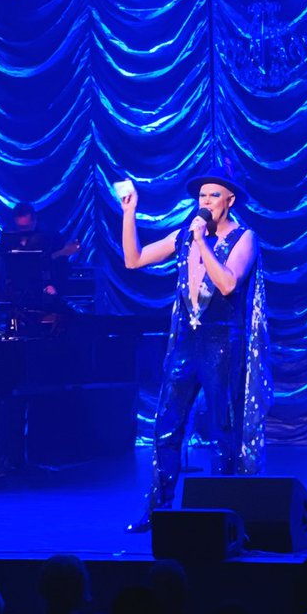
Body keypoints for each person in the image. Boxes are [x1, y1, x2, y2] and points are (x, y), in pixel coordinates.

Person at [120, 168, 271, 531]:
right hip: (186, 342)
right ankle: (158, 507)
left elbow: (228, 284)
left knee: (223, 429)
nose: (205, 202)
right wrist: (129, 212)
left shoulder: (244, 238)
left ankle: (223, 509)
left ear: (229, 201)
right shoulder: (184, 235)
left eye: (213, 195)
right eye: (202, 196)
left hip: (223, 344)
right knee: (167, 425)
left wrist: (203, 244)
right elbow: (134, 259)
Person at [0, 201, 80, 301]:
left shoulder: (51, 236)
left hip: (44, 288)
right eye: (19, 227)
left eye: (26, 227)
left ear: (34, 221)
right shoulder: (8, 236)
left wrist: (54, 286)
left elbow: (59, 265)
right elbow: (0, 257)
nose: (23, 231)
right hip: (15, 289)